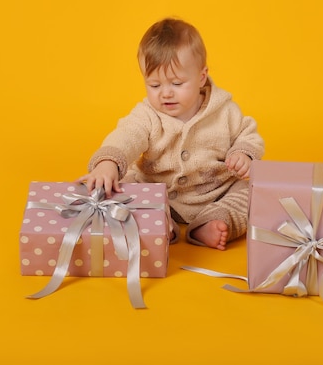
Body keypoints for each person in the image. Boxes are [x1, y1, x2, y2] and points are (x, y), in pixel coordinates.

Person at [79, 18, 264, 250]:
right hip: (157, 191)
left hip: (216, 192)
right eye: (154, 85)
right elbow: (126, 135)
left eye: (176, 83)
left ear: (201, 77)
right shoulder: (147, 115)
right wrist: (108, 163)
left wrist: (243, 154)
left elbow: (248, 136)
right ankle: (159, 224)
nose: (165, 93)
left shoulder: (225, 110)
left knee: (254, 194)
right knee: (125, 189)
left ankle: (213, 221)